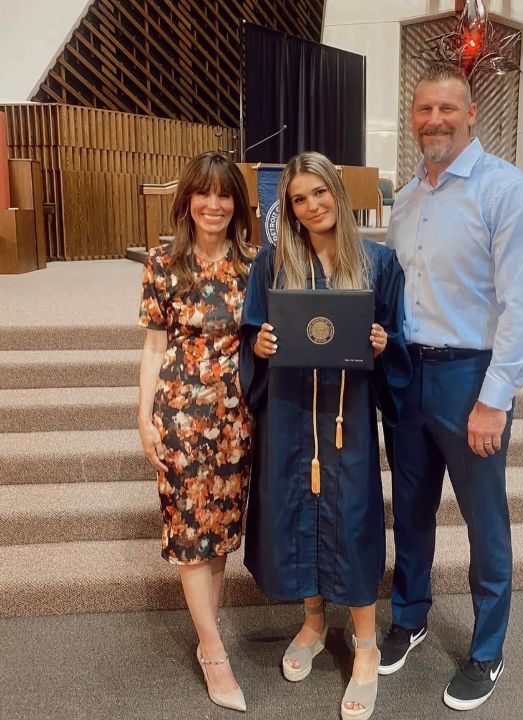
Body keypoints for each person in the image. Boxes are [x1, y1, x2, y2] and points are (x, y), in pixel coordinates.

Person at [380, 63, 523, 711]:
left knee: (485, 523)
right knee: (412, 509)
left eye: (447, 109)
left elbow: (522, 309)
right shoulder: (408, 199)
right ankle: (410, 615)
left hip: (469, 378)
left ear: (471, 113)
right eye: (423, 109)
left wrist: (494, 397)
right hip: (407, 375)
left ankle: (486, 651)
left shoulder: (507, 193)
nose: (434, 121)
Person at [240, 151, 411, 720]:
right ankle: (313, 623)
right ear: (286, 209)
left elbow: (395, 338)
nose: (312, 206)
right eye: (298, 199)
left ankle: (365, 644)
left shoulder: (379, 264)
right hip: (289, 416)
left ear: (338, 190)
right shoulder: (272, 264)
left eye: (320, 192)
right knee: (296, 514)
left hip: (347, 419)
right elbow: (251, 336)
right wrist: (259, 348)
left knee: (353, 519)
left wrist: (386, 345)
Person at [138, 150, 256, 712]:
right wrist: (143, 418)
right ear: (187, 200)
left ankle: (209, 631)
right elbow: (155, 346)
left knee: (220, 533)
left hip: (236, 418)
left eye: (224, 194)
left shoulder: (253, 267)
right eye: (203, 194)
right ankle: (213, 650)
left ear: (237, 203)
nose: (214, 205)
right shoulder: (163, 264)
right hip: (181, 416)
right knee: (190, 534)